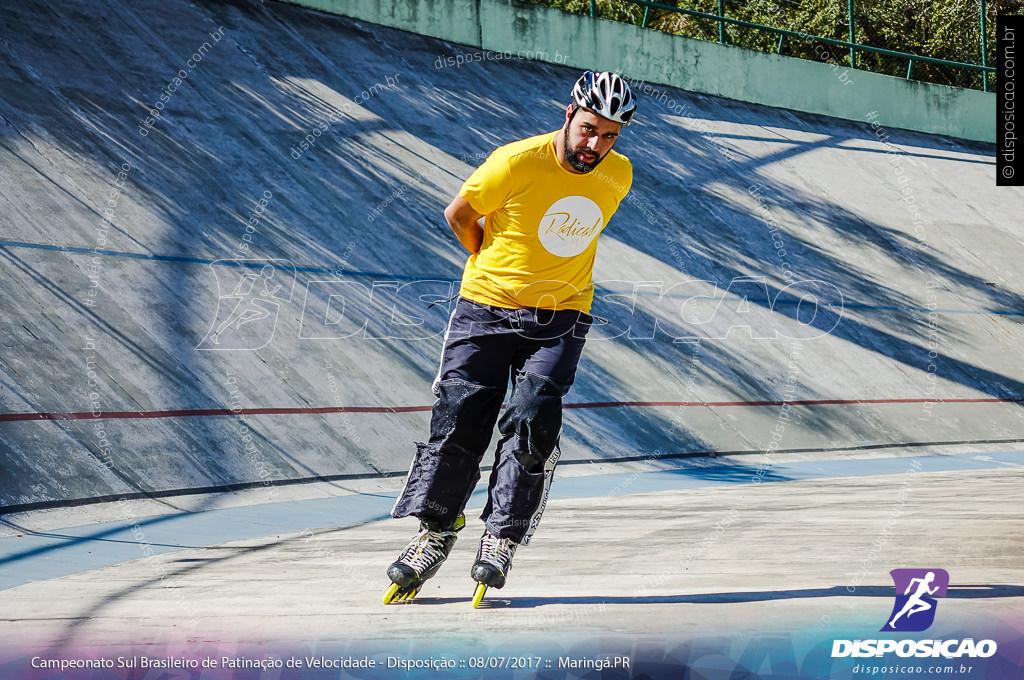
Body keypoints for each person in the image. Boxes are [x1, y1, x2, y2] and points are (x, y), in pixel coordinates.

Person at [384, 71, 636, 606]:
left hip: (562, 314)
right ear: (569, 115)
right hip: (486, 308)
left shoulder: (620, 175)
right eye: (590, 130)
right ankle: (435, 530)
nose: (597, 145)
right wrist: (491, 266)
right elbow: (459, 215)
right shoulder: (515, 162)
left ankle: (500, 534)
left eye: (611, 135)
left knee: (531, 416)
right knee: (458, 418)